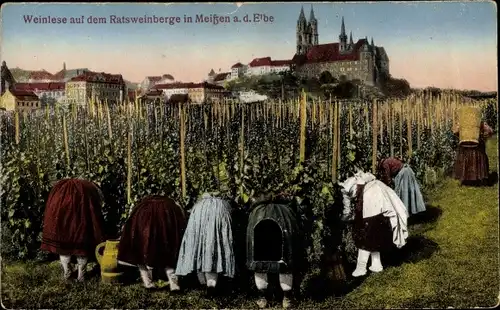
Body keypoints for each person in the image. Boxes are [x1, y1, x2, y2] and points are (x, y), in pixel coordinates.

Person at [340, 171, 409, 277]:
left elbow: (349, 209)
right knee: (374, 235)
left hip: (371, 204)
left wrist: (346, 218)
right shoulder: (364, 180)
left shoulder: (345, 189)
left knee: (365, 237)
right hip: (380, 202)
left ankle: (361, 268)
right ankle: (377, 264)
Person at [40, 178, 107, 282]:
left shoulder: (61, 190)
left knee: (63, 247)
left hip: (62, 218)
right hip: (80, 219)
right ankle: (81, 276)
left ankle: (68, 272)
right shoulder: (90, 188)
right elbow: (99, 204)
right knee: (81, 248)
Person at [117, 195, 187, 290]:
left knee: (141, 253)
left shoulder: (142, 206)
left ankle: (148, 282)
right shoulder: (170, 205)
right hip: (164, 224)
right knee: (168, 254)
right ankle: (174, 284)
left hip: (145, 224)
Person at [246, 194, 302, 309]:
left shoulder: (257, 210)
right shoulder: (286, 210)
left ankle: (263, 298)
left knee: (260, 263)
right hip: (282, 218)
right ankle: (287, 298)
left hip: (260, 218)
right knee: (284, 261)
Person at [175, 193, 235, 295]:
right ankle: (210, 285)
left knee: (199, 249)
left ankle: (206, 285)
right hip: (218, 214)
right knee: (213, 250)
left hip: (201, 217)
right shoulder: (222, 205)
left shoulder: (198, 206)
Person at [453, 121, 494, 186]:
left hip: (466, 146)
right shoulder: (479, 121)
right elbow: (490, 131)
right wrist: (482, 136)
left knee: (465, 152)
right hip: (475, 146)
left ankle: (465, 178)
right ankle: (481, 179)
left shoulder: (462, 122)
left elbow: (455, 131)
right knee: (478, 149)